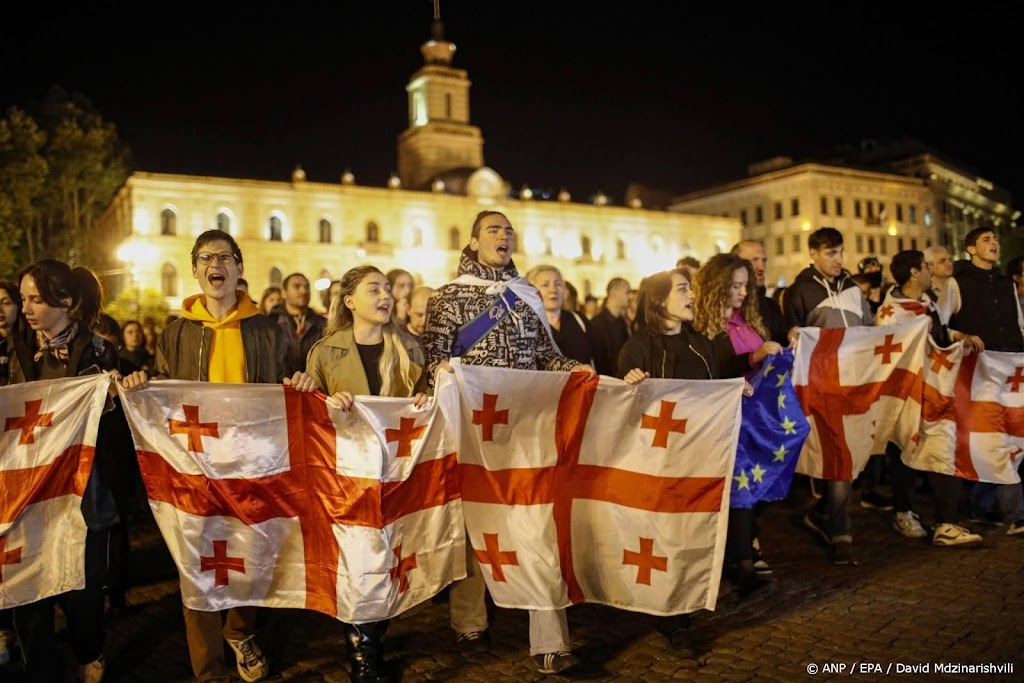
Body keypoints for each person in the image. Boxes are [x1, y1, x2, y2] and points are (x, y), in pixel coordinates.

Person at [121, 229, 317, 683]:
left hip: (251, 463)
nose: (217, 265)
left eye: (225, 257)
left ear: (238, 268)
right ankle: (207, 670)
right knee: (196, 563)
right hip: (195, 468)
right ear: (195, 270)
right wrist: (140, 387)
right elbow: (165, 392)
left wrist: (300, 383)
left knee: (251, 554)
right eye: (206, 257)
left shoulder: (269, 330)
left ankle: (241, 631)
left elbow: (286, 383)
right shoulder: (174, 333)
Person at [422, 210, 595, 675]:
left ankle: (550, 642)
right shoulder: (448, 296)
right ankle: (470, 622)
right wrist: (442, 372)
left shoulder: (527, 295)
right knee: (478, 524)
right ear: (474, 240)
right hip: (474, 428)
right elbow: (434, 360)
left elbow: (544, 356)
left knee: (536, 523)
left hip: (526, 424)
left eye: (509, 230)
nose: (504, 236)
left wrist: (574, 369)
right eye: (494, 230)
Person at [304, 265, 427, 682]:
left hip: (396, 473)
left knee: (386, 559)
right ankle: (362, 658)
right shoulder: (324, 352)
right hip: (348, 476)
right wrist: (320, 398)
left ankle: (371, 639)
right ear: (350, 300)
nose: (385, 295)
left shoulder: (410, 349)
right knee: (358, 561)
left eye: (388, 289)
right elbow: (311, 417)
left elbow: (424, 405)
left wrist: (431, 393)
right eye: (374, 289)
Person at [7, 260, 123, 682]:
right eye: (23, 299)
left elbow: (110, 428)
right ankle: (40, 667)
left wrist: (118, 394)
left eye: (36, 299)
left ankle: (89, 651)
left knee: (83, 591)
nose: (27, 308)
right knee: (27, 591)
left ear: (66, 302)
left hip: (83, 496)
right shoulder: (12, 352)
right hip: (26, 496)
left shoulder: (98, 351)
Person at [617, 267, 716, 652]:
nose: (692, 294)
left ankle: (685, 602)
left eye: (690, 287)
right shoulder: (636, 349)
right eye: (682, 288)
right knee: (662, 538)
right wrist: (629, 386)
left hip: (697, 457)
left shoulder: (702, 345)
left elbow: (711, 395)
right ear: (659, 300)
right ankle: (671, 619)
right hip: (655, 461)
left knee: (690, 532)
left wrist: (733, 393)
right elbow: (618, 410)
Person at [877, 250, 984, 546]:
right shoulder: (892, 312)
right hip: (908, 393)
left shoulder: (926, 303)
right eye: (925, 267)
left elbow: (937, 332)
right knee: (904, 449)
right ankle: (906, 512)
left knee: (940, 445)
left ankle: (945, 522)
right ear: (914, 272)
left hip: (933, 389)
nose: (929, 272)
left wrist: (956, 336)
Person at [783, 227, 873, 565]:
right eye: (830, 253)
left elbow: (868, 332)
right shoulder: (798, 291)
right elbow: (789, 335)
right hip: (820, 386)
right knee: (838, 454)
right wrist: (791, 333)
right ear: (814, 255)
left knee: (849, 453)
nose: (838, 259)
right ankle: (839, 530)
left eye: (840, 252)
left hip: (852, 384)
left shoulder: (853, 289)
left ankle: (824, 512)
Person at [692, 254, 781, 594]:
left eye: (745, 286)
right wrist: (755, 357)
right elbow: (716, 367)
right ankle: (741, 558)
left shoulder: (746, 320)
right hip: (727, 420)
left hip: (757, 418)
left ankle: (745, 547)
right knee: (739, 490)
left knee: (759, 487)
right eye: (735, 286)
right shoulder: (704, 325)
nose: (743, 293)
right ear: (718, 287)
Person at [948, 227, 1024, 535]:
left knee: (1013, 435)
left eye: (995, 239)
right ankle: (1000, 510)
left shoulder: (1006, 285)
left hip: (1012, 369)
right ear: (970, 249)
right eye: (985, 240)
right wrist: (961, 337)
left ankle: (998, 508)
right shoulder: (958, 284)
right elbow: (942, 324)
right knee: (988, 438)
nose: (993, 243)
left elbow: (1017, 323)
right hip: (979, 371)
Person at [527, 265, 595, 365]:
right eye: (545, 285)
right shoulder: (526, 325)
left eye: (558, 284)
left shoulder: (579, 319)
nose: (553, 290)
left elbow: (597, 357)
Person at [732, 240, 787, 345]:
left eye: (764, 260)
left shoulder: (771, 307)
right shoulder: (727, 307)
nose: (761, 267)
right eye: (754, 260)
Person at [274, 273, 326, 376]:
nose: (303, 291)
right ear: (284, 293)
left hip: (314, 386)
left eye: (306, 287)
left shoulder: (322, 324)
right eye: (297, 287)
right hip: (282, 386)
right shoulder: (271, 324)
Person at [590, 277, 631, 376]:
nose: (630, 297)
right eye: (627, 292)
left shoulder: (623, 323)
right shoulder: (596, 324)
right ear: (614, 293)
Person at [923, 246, 960, 324]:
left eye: (950, 260)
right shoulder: (924, 293)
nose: (949, 264)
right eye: (942, 261)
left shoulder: (957, 286)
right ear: (929, 267)